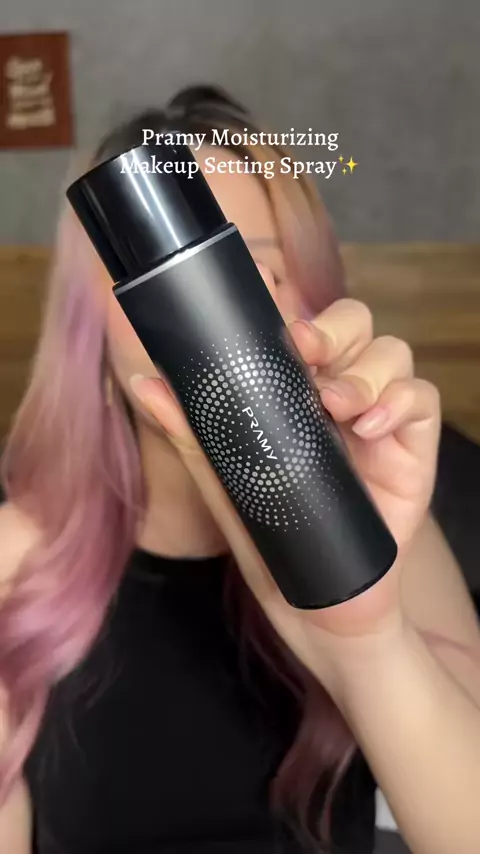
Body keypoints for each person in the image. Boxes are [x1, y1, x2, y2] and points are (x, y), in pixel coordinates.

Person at [0, 86, 479, 854]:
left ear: (307, 301)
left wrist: (366, 641)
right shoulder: (15, 557)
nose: (204, 309)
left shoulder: (383, 529)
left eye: (252, 265)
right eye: (157, 263)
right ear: (91, 316)